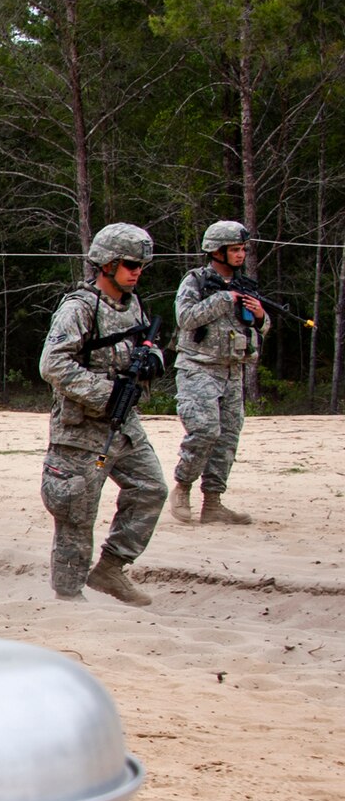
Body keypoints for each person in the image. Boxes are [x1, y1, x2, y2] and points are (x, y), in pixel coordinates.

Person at [37, 223, 169, 606]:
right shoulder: (79, 309)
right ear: (106, 264)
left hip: (124, 424)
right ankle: (68, 594)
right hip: (81, 429)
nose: (137, 272)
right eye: (129, 264)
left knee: (150, 489)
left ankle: (111, 568)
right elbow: (53, 365)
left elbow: (150, 343)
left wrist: (152, 362)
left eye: (141, 265)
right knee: (76, 509)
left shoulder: (133, 304)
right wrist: (106, 393)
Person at [171, 221, 268, 525]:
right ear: (217, 251)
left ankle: (213, 502)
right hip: (199, 367)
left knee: (227, 437)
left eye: (243, 249)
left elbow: (261, 327)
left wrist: (262, 316)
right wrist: (224, 299)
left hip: (233, 370)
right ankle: (182, 487)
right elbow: (185, 318)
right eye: (235, 249)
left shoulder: (245, 284)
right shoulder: (196, 282)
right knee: (204, 430)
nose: (241, 255)